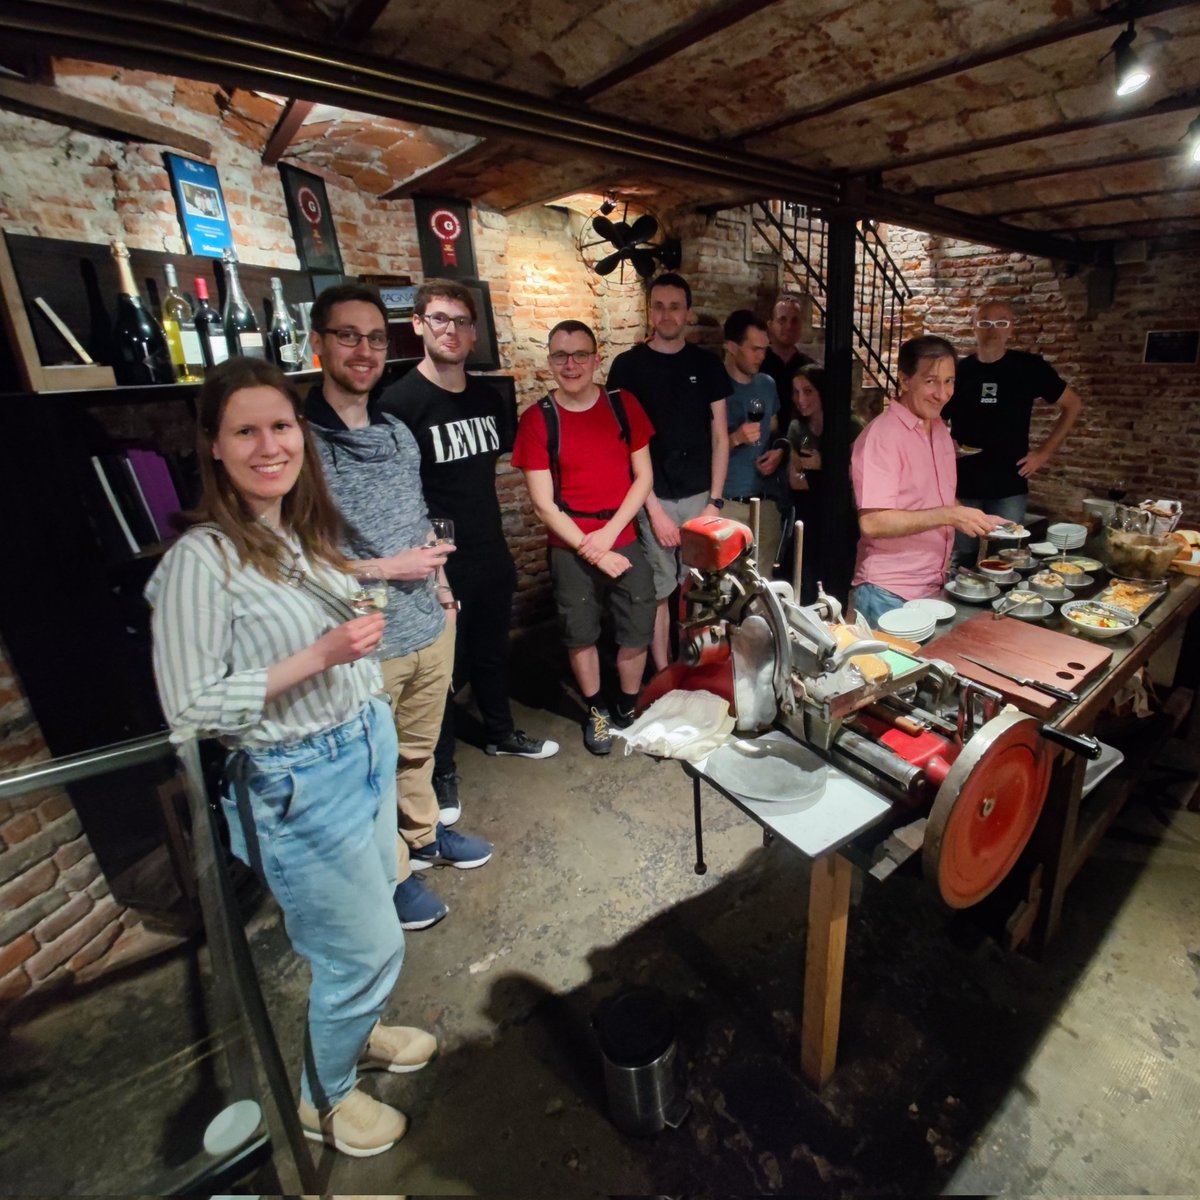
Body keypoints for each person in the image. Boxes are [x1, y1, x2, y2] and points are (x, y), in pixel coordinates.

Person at [146, 358, 436, 1157]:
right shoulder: (199, 564)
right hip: (299, 779)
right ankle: (323, 1096)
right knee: (364, 948)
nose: (269, 445)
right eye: (246, 430)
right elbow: (188, 708)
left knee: (376, 904)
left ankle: (359, 1035)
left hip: (364, 746)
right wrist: (320, 654)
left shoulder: (296, 534)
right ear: (212, 446)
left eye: (281, 427)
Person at [307, 283, 494, 935]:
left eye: (374, 338)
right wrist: (390, 569)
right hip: (365, 637)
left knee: (416, 753)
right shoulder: (302, 446)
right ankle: (393, 875)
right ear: (318, 344)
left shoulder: (393, 431)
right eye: (347, 336)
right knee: (370, 770)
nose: (363, 351)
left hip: (426, 619)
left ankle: (422, 836)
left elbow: (416, 516)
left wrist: (440, 591)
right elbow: (301, 563)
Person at [381, 279, 559, 821]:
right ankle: (442, 775)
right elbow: (399, 496)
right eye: (439, 319)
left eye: (461, 321)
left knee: (491, 649)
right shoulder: (398, 403)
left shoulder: (486, 397)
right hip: (436, 561)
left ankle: (501, 733)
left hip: (489, 546)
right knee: (440, 674)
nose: (451, 331)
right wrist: (432, 570)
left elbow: (485, 477)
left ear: (473, 331)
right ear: (418, 325)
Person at [512, 320, 656, 754]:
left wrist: (608, 538)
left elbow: (643, 476)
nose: (570, 364)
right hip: (569, 542)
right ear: (549, 361)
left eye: (579, 354)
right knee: (580, 631)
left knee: (637, 622)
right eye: (560, 355)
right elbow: (544, 505)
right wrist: (592, 551)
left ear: (596, 359)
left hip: (620, 533)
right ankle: (597, 710)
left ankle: (627, 707)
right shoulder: (538, 420)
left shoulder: (622, 404)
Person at [606, 272, 730, 672]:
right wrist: (654, 510)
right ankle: (664, 674)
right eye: (658, 305)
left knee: (701, 588)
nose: (667, 314)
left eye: (675, 306)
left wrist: (714, 502)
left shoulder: (706, 365)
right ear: (650, 311)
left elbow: (720, 438)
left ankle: (698, 666)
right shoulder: (627, 367)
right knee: (660, 590)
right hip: (651, 495)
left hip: (699, 496)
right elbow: (625, 445)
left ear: (687, 312)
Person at [850, 335, 1004, 627]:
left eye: (949, 381)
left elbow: (937, 500)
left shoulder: (939, 430)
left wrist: (975, 518)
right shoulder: (882, 436)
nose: (943, 394)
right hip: (888, 593)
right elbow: (873, 522)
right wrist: (949, 515)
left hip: (933, 589)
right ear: (905, 380)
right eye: (931, 381)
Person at [944, 298, 1084, 562]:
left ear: (1011, 328)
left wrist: (1043, 453)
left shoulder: (1028, 367)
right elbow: (934, 418)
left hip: (1009, 479)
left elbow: (1073, 405)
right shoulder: (959, 371)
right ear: (973, 326)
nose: (992, 330)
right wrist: (943, 443)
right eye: (985, 323)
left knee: (1007, 556)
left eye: (1001, 323)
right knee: (962, 554)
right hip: (964, 479)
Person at [779, 365, 861, 602]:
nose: (800, 399)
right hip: (808, 515)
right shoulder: (798, 429)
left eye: (808, 391)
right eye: (795, 392)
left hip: (840, 516)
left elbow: (858, 477)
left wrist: (822, 466)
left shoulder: (851, 426)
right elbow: (796, 481)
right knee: (805, 584)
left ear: (823, 392)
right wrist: (827, 471)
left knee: (837, 586)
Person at [720, 309, 786, 569]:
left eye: (764, 349)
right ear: (732, 347)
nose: (762, 356)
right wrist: (735, 438)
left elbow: (774, 429)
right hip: (728, 503)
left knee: (763, 589)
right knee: (725, 589)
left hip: (765, 502)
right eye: (754, 349)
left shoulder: (767, 384)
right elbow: (701, 448)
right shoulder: (715, 388)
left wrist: (779, 452)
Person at [761, 292, 820, 425]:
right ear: (770, 325)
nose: (789, 326)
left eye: (795, 320)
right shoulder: (758, 363)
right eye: (782, 320)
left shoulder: (810, 368)